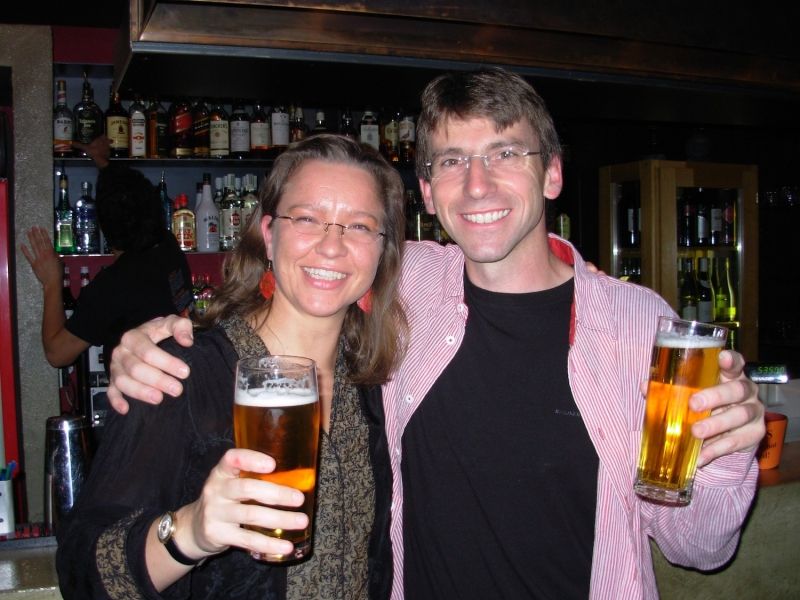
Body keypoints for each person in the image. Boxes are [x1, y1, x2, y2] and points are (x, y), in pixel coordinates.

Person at [105, 68, 765, 600]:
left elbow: (700, 550)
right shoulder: (410, 284)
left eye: (505, 153)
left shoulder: (640, 325)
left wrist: (726, 452)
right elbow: (307, 276)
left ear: (553, 173)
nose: (477, 185)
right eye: (452, 161)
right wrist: (164, 336)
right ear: (425, 191)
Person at [55, 134, 405, 600]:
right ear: (268, 234)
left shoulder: (372, 385)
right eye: (306, 218)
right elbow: (82, 571)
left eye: (359, 226)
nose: (331, 246)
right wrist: (190, 532)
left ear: (382, 250)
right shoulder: (180, 373)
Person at [21, 137, 193, 376]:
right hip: (184, 373)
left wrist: (52, 281)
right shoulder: (167, 245)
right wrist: (103, 162)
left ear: (105, 227)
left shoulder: (113, 285)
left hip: (141, 391)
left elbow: (57, 354)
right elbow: (131, 197)